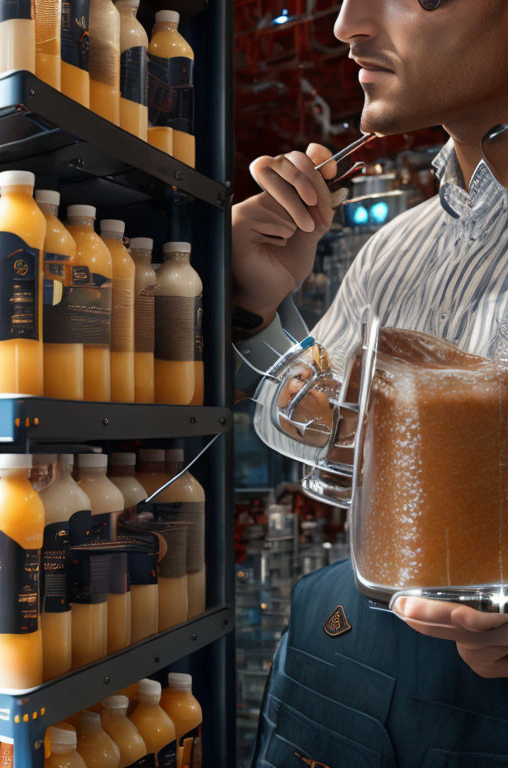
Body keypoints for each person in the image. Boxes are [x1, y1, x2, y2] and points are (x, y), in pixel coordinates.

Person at [233, 0, 508, 764]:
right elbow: (317, 434)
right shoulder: (396, 249)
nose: (346, 23)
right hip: (347, 650)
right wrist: (261, 313)